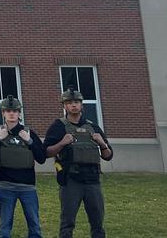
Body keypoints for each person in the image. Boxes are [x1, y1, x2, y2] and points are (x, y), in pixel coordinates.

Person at [45, 86, 113, 238]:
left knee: (97, 223)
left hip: (93, 181)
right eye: (69, 102)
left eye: (76, 102)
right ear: (64, 105)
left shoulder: (93, 127)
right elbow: (46, 153)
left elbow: (108, 155)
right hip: (71, 181)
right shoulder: (58, 126)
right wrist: (62, 143)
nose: (73, 105)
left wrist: (102, 144)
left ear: (82, 105)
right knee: (67, 223)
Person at [0, 95, 46, 238]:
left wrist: (30, 141)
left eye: (15, 111)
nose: (11, 113)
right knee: (5, 227)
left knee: (34, 226)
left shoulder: (29, 132)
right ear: (3, 113)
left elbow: (42, 158)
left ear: (19, 113)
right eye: (8, 111)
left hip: (28, 187)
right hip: (6, 186)